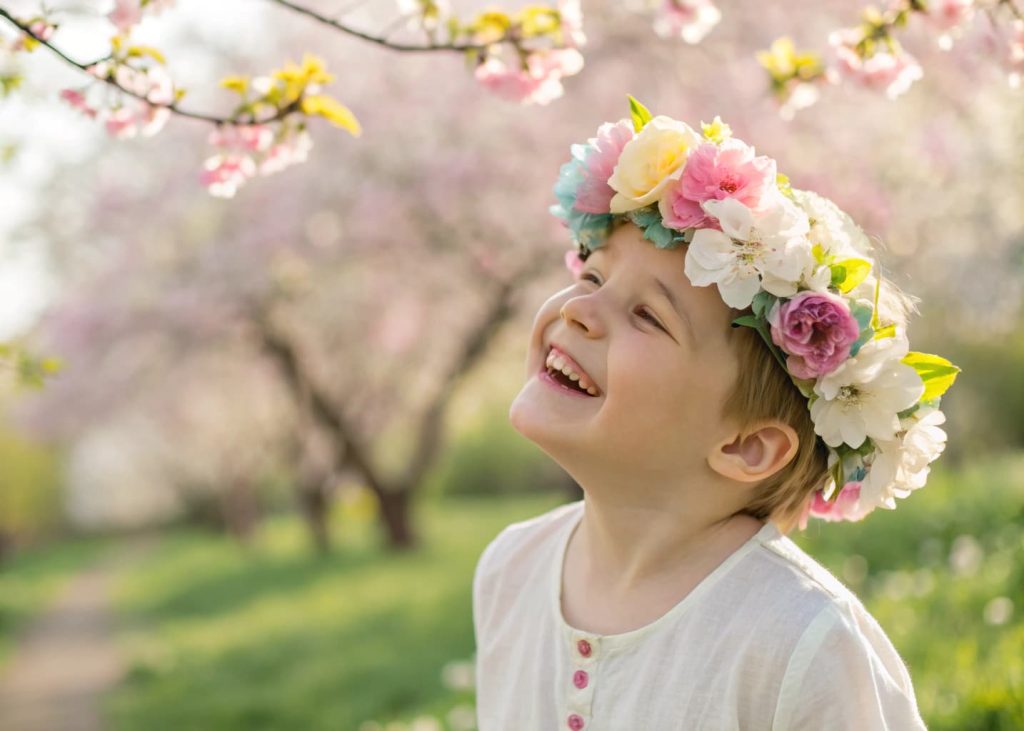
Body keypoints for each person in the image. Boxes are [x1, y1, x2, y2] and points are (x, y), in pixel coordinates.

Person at [472, 99, 958, 730]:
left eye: (649, 315)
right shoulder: (511, 569)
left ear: (747, 446)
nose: (578, 310)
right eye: (592, 278)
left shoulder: (799, 642)